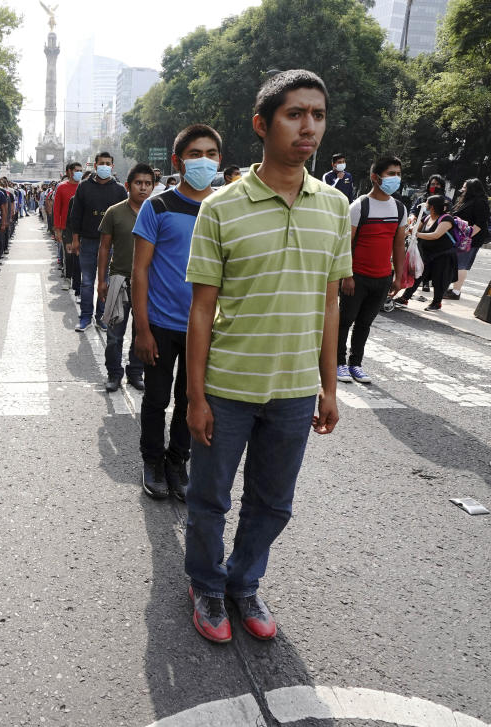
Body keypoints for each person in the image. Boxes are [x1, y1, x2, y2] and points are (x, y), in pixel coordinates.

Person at [186, 70, 350, 644]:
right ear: (263, 124)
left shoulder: (334, 207)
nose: (309, 127)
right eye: (295, 114)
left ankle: (243, 581)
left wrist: (329, 387)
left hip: (295, 389)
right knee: (209, 497)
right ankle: (206, 584)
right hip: (228, 387)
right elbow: (201, 310)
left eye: (318, 115)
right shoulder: (221, 209)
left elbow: (329, 305)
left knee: (273, 503)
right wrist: (196, 396)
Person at [132, 125, 221, 503]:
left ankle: (177, 461)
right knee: (156, 397)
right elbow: (140, 270)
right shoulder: (158, 206)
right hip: (162, 324)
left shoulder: (226, 208)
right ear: (177, 161)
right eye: (195, 154)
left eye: (212, 154)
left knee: (192, 398)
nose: (204, 161)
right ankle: (152, 462)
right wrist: (142, 329)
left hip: (207, 328)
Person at [336, 156, 406, 385]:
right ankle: (339, 363)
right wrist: (346, 275)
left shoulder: (399, 208)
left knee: (365, 323)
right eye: (391, 174)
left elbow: (398, 243)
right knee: (345, 321)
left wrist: (398, 276)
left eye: (398, 173)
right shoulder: (359, 206)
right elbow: (346, 243)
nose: (396, 178)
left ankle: (356, 364)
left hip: (382, 277)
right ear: (375, 177)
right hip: (356, 277)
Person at [97, 163, 152, 392]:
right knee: (114, 334)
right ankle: (114, 373)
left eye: (148, 184)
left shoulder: (157, 211)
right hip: (119, 280)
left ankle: (136, 372)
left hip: (148, 283)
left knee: (142, 331)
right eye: (138, 183)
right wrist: (102, 281)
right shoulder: (114, 212)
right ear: (128, 186)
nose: (143, 188)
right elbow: (104, 247)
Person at [69, 151, 128, 332]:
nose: (104, 166)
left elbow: (124, 217)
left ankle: (102, 317)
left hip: (110, 245)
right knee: (87, 282)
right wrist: (75, 239)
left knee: (106, 282)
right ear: (95, 166)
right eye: (101, 163)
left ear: (112, 166)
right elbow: (76, 215)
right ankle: (85, 317)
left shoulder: (119, 190)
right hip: (87, 241)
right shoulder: (84, 187)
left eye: (107, 163)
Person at [395, 195, 457, 311]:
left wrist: (416, 235)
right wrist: (403, 234)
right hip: (427, 254)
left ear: (432, 207)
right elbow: (413, 229)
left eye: (427, 203)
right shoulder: (427, 217)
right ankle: (404, 298)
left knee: (439, 280)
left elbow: (436, 235)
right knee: (417, 276)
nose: (425, 205)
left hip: (443, 256)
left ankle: (436, 303)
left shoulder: (447, 219)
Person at [445, 178, 489, 300]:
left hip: (470, 239)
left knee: (462, 264)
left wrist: (467, 238)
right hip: (461, 237)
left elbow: (480, 223)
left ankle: (456, 291)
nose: (462, 190)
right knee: (456, 263)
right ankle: (452, 288)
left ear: (472, 189)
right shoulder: (467, 200)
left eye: (465, 187)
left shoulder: (480, 202)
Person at [53, 162, 82, 295]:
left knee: (80, 257)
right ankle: (67, 277)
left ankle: (78, 281)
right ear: (69, 172)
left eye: (81, 170)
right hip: (66, 228)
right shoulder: (61, 187)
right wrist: (57, 229)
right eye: (77, 170)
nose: (79, 173)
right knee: (69, 255)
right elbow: (57, 209)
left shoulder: (84, 187)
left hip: (82, 229)